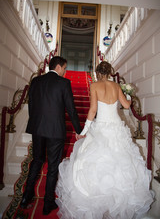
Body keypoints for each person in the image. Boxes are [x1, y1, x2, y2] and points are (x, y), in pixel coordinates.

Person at [55, 61, 154, 219]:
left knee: (95, 163)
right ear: (109, 73)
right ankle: (116, 205)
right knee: (119, 163)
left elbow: (93, 110)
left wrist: (83, 131)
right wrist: (128, 96)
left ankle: (99, 203)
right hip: (116, 127)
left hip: (101, 127)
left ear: (98, 73)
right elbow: (127, 106)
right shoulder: (116, 87)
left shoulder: (94, 86)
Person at [20, 56, 82, 215]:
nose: (65, 71)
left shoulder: (35, 81)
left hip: (38, 128)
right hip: (55, 130)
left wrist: (35, 123)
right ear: (59, 67)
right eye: (65, 68)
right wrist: (78, 129)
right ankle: (48, 203)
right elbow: (71, 108)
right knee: (53, 166)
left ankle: (26, 197)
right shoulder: (64, 83)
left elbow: (31, 105)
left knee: (37, 160)